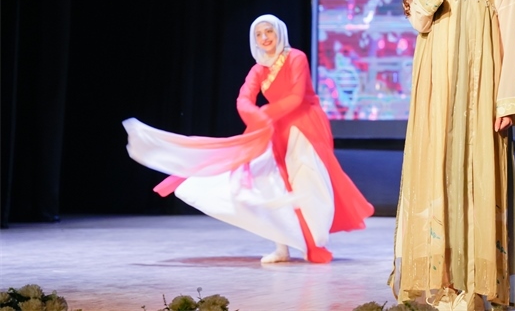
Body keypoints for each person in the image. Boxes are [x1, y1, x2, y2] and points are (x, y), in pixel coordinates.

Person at [123, 14, 374, 264]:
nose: (264, 38)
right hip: (274, 125)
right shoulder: (259, 68)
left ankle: (315, 243)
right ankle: (282, 247)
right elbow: (243, 98)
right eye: (259, 34)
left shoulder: (296, 58)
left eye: (269, 32)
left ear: (279, 33)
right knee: (268, 181)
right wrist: (255, 115)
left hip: (304, 124)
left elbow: (297, 97)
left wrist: (265, 113)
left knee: (306, 179)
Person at [387, 0, 515, 310]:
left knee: (477, 179)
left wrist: (506, 101)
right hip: (437, 91)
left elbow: (510, 39)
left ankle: (476, 285)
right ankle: (441, 283)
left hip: (480, 93)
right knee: (437, 176)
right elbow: (419, 18)